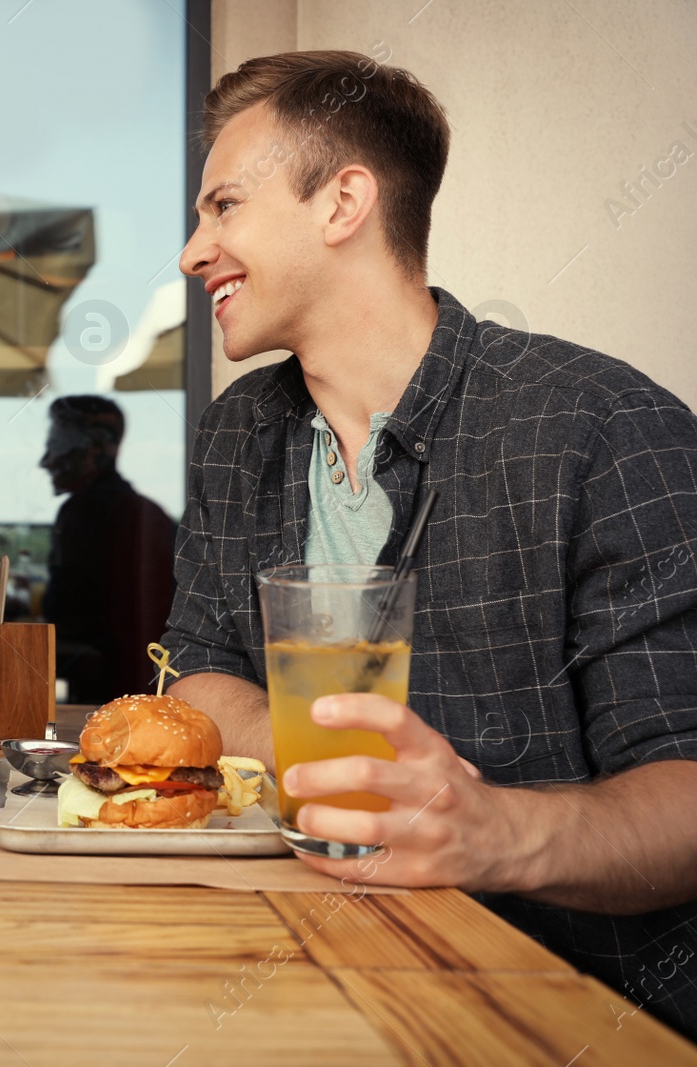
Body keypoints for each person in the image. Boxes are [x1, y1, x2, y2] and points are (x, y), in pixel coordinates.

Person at [163, 51, 697, 1036]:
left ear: (343, 202)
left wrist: (494, 832)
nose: (195, 252)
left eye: (223, 206)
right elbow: (194, 677)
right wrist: (338, 762)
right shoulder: (237, 433)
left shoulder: (600, 424)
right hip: (299, 979)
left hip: (570, 1018)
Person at [40, 396, 176, 703]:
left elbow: (66, 613)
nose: (46, 460)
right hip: (143, 684)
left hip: (103, 690)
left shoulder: (84, 514)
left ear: (96, 449)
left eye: (57, 443)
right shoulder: (149, 513)